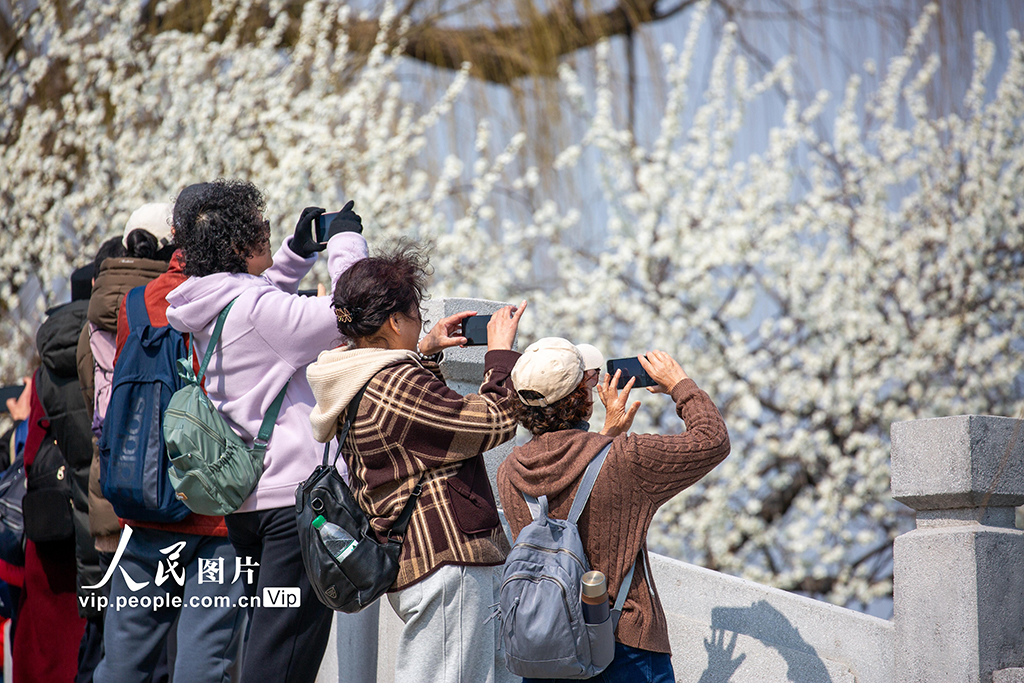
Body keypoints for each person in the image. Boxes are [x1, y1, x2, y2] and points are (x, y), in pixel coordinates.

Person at [165, 179, 369, 682]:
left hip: (251, 509)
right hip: (295, 511)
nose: (268, 229)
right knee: (281, 662)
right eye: (260, 227)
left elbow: (256, 300)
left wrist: (295, 255)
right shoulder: (259, 314)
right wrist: (345, 243)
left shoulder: (208, 307)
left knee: (271, 642)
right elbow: (357, 308)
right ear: (238, 245)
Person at [306, 243, 525, 683]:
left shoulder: (359, 376)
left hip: (422, 561)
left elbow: (424, 434)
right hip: (445, 561)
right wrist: (500, 356)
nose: (420, 323)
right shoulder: (394, 381)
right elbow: (493, 421)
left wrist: (424, 353)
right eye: (416, 316)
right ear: (394, 321)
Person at [497, 340, 731, 683]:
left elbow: (564, 488)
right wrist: (679, 383)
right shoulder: (624, 457)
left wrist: (606, 437)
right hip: (625, 646)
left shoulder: (510, 472)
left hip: (547, 646)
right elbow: (712, 439)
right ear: (583, 398)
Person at [91, 199, 241, 683]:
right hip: (215, 512)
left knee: (123, 662)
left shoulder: (136, 304)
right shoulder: (240, 301)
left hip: (146, 496)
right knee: (204, 661)